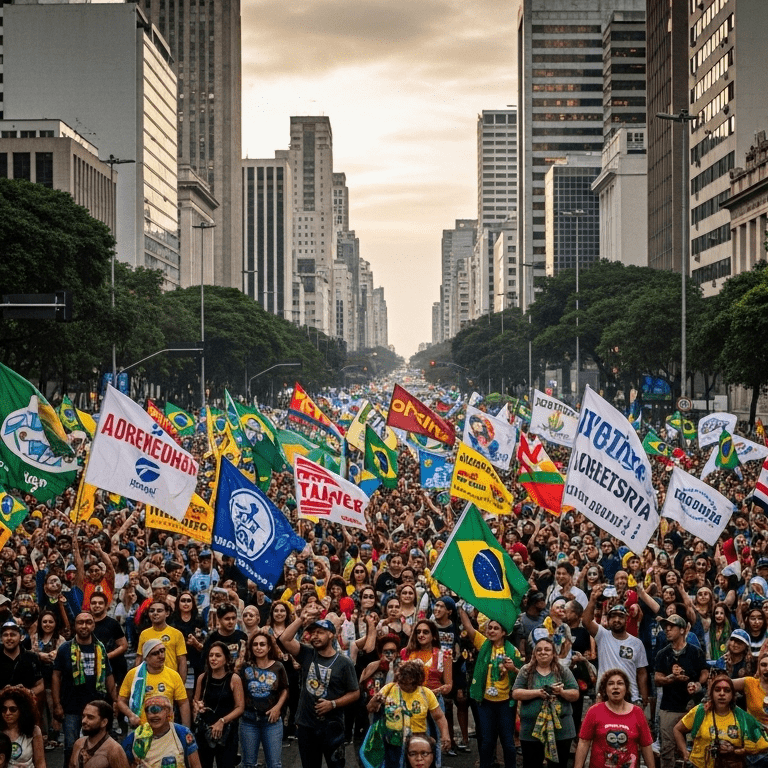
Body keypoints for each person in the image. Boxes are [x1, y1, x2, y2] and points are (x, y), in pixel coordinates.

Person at [277, 604, 360, 768]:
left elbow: (355, 693)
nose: (314, 636)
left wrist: (333, 704)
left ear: (331, 635)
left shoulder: (344, 663)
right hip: (307, 726)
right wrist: (302, 618)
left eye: (319, 632)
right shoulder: (308, 653)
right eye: (312, 633)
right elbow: (284, 639)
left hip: (332, 727)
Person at [458, 606, 521, 768]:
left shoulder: (513, 652)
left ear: (504, 633)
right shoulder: (483, 644)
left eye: (496, 629)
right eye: (490, 628)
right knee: (486, 742)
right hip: (485, 703)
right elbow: (469, 628)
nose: (491, 631)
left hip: (506, 704)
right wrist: (460, 608)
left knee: (508, 743)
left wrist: (512, 668)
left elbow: (522, 676)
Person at [51, 612, 117, 768]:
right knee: (70, 747)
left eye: (88, 622)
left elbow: (108, 675)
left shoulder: (100, 648)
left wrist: (115, 701)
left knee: (100, 745)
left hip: (97, 706)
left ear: (93, 625)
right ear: (75, 626)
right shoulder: (65, 648)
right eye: (80, 622)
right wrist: (57, 704)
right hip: (72, 705)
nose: (84, 626)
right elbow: (55, 676)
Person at [366, 660, 450, 768]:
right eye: (400, 681)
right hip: (393, 743)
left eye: (406, 683)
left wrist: (445, 735)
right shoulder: (389, 689)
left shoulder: (426, 693)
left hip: (417, 743)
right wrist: (375, 701)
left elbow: (439, 717)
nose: (401, 685)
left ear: (416, 681)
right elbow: (370, 708)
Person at [512, 634, 579, 768]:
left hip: (561, 730)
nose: (543, 652)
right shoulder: (526, 671)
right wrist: (537, 692)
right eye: (539, 649)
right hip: (531, 730)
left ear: (554, 653)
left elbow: (575, 694)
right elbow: (516, 693)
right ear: (534, 653)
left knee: (558, 765)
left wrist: (561, 692)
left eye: (547, 649)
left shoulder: (562, 671)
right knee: (531, 764)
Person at [674, 673, 768, 768]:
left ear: (732, 695)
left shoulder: (743, 717)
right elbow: (677, 729)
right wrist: (685, 753)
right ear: (712, 693)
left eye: (727, 691)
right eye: (717, 690)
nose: (722, 694)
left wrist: (737, 751)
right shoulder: (700, 711)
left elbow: (763, 745)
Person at [654, 613, 708, 768]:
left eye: (672, 626)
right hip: (669, 707)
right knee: (667, 749)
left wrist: (697, 684)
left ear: (683, 630)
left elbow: (705, 672)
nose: (667, 630)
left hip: (691, 707)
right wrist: (672, 678)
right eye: (666, 627)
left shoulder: (695, 652)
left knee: (696, 747)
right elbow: (657, 679)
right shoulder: (662, 654)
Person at [582, 585, 649, 707]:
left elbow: (642, 672)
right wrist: (592, 600)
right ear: (608, 619)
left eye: (620, 616)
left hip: (630, 697)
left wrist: (644, 696)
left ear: (626, 619)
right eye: (613, 616)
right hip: (605, 695)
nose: (617, 619)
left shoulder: (637, 643)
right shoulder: (602, 635)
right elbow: (586, 621)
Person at [573, 669, 654, 768]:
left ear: (626, 688)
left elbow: (646, 745)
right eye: (610, 684)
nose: (615, 687)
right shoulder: (594, 711)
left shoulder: (638, 713)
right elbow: (583, 743)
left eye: (620, 683)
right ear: (605, 689)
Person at [237, 630, 288, 768]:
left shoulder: (278, 666)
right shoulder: (245, 666)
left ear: (269, 647)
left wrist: (278, 707)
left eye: (262, 644)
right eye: (255, 644)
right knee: (248, 764)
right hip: (248, 720)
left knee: (274, 764)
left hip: (271, 720)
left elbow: (285, 689)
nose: (258, 647)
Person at [118, 638, 191, 730]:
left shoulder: (174, 675)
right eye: (155, 653)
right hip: (140, 728)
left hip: (166, 729)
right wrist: (131, 715)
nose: (161, 656)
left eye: (162, 651)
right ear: (146, 658)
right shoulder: (134, 675)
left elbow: (183, 703)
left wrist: (186, 730)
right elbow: (121, 701)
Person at [192, 641, 244, 768]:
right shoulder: (202, 678)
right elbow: (195, 701)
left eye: (218, 655)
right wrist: (197, 707)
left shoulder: (234, 678)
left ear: (226, 659)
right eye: (211, 655)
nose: (213, 659)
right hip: (205, 730)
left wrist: (222, 721)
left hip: (227, 731)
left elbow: (240, 707)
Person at [122, 694, 202, 768]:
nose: (154, 716)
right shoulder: (136, 736)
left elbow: (196, 765)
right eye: (149, 710)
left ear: (168, 712)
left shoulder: (182, 733)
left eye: (158, 709)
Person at [70, 699, 130, 768]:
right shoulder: (78, 743)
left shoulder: (114, 750)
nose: (84, 721)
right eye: (83, 716)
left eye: (90, 717)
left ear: (104, 722)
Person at [137, 600, 188, 681]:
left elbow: (182, 661)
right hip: (149, 680)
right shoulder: (144, 634)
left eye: (159, 611)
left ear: (167, 613)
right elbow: (139, 658)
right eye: (152, 611)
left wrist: (182, 683)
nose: (155, 613)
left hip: (170, 679)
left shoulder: (177, 634)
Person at [89, 591, 128, 689]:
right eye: (93, 603)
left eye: (100, 603)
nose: (97, 605)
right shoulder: (86, 623)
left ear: (106, 606)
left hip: (113, 669)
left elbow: (123, 646)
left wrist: (106, 656)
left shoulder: (113, 624)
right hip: (92, 668)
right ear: (89, 605)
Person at [0, 686, 45, 768]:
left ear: (22, 710)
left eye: (13, 709)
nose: (7, 713)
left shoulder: (34, 730)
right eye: (3, 709)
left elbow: (40, 763)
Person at [0, 622, 43, 696]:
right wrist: (3, 693)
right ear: (1, 638)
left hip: (26, 705)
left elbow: (40, 685)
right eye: (5, 635)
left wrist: (27, 693)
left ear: (21, 637)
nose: (9, 638)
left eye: (13, 635)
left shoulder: (31, 658)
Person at [201, 604, 247, 670]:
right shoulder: (212, 637)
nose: (231, 622)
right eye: (227, 619)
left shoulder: (242, 636)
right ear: (219, 620)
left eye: (233, 618)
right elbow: (204, 662)